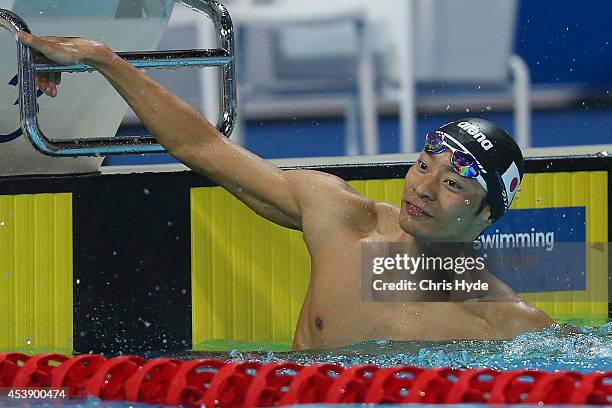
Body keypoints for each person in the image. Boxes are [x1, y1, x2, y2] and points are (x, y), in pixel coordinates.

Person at [18, 32, 553, 350]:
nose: (425, 188)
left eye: (455, 184)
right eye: (423, 165)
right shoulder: (340, 219)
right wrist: (102, 58)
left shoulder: (505, 322)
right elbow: (202, 148)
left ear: (488, 216)